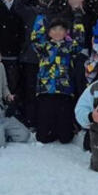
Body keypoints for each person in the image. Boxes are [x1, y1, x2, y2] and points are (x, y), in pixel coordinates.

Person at [30, 15, 80, 144]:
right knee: (43, 137)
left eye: (61, 29)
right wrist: (41, 16)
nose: (57, 32)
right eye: (54, 29)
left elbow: (80, 41)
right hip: (46, 91)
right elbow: (35, 37)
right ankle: (48, 128)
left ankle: (66, 128)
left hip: (64, 91)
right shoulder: (43, 47)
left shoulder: (69, 46)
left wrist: (78, 19)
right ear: (48, 32)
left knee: (65, 138)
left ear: (65, 32)